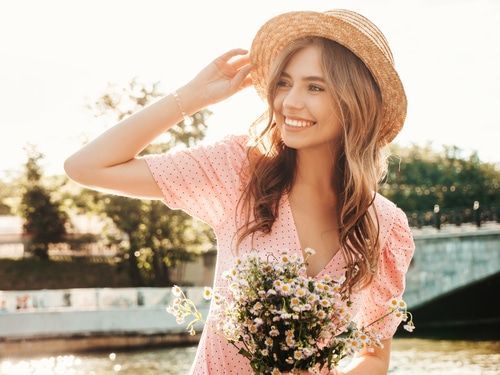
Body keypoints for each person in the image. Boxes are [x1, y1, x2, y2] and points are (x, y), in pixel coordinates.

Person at [64, 8, 415, 375]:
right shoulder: (238, 172)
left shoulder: (385, 225)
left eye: (315, 86)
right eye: (284, 83)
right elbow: (86, 167)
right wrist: (191, 97)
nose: (289, 102)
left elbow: (374, 356)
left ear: (355, 101)